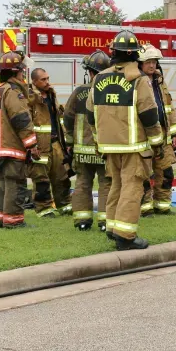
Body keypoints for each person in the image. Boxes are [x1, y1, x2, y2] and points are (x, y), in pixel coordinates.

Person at [86, 29, 164, 250]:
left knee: (116, 186)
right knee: (132, 187)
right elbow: (150, 115)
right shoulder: (138, 80)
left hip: (108, 146)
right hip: (134, 146)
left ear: (114, 53)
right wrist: (157, 143)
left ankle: (113, 228)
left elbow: (91, 114)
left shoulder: (99, 78)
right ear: (135, 55)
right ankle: (125, 236)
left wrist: (98, 141)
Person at [0, 52, 39, 228]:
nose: (23, 73)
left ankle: (1, 218)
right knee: (16, 183)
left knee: (3, 182)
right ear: (16, 72)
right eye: (22, 70)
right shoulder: (13, 92)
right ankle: (14, 221)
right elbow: (21, 119)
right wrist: (32, 144)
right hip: (11, 147)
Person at [65, 50, 113, 231]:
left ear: (90, 72)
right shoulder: (111, 92)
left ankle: (82, 221)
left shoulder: (78, 93)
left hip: (82, 150)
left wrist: (70, 143)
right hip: (104, 148)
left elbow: (68, 118)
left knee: (83, 183)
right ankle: (104, 222)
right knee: (106, 184)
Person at [138, 44, 176, 216]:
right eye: (148, 61)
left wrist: (175, 132)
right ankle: (145, 208)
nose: (152, 65)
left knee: (166, 172)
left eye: (154, 61)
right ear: (140, 63)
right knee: (143, 175)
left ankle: (162, 206)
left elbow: (169, 108)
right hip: (144, 135)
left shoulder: (159, 81)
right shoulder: (136, 83)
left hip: (163, 134)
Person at [27, 68, 74, 218]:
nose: (47, 82)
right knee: (41, 179)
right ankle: (44, 209)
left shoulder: (51, 95)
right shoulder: (30, 98)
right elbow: (27, 123)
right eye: (43, 80)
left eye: (48, 78)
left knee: (62, 176)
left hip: (55, 143)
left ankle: (65, 204)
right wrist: (32, 145)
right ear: (34, 82)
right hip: (40, 145)